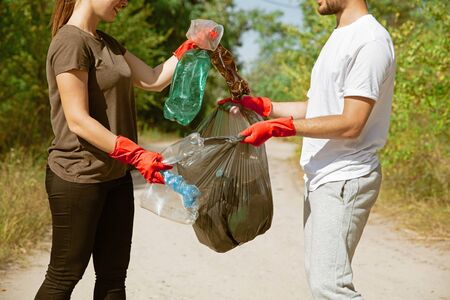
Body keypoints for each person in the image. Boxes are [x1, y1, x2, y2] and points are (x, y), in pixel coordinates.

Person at [220, 0, 395, 298]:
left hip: (345, 175)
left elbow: (352, 122)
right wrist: (267, 107)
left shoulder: (370, 41)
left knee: (330, 287)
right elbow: (322, 108)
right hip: (322, 176)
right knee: (321, 281)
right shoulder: (341, 34)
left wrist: (281, 128)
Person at [35, 0, 199, 299]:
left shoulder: (107, 43)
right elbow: (78, 120)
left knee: (113, 278)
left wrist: (190, 46)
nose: (126, 2)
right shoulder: (70, 42)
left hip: (116, 175)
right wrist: (137, 154)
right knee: (64, 276)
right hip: (78, 176)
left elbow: (153, 79)